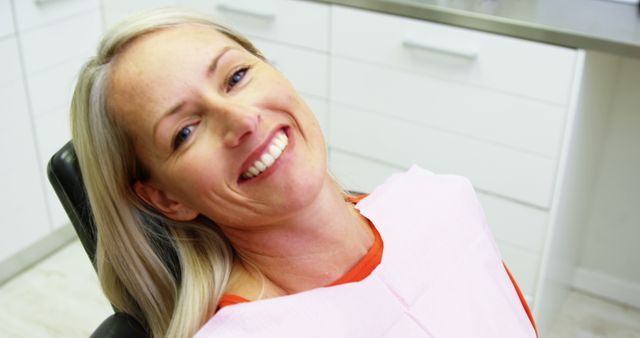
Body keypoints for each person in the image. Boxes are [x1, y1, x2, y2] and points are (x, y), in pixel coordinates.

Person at [71, 8, 536, 338]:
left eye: (235, 77)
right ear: (167, 199)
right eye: (186, 131)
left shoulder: (442, 205)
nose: (242, 120)